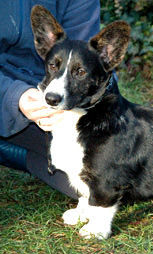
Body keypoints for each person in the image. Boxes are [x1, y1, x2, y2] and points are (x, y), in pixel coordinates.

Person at [0, 1, 101, 199]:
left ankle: (13, 152)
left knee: (96, 183)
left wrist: (75, 103)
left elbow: (88, 60)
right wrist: (14, 96)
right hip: (6, 89)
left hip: (48, 93)